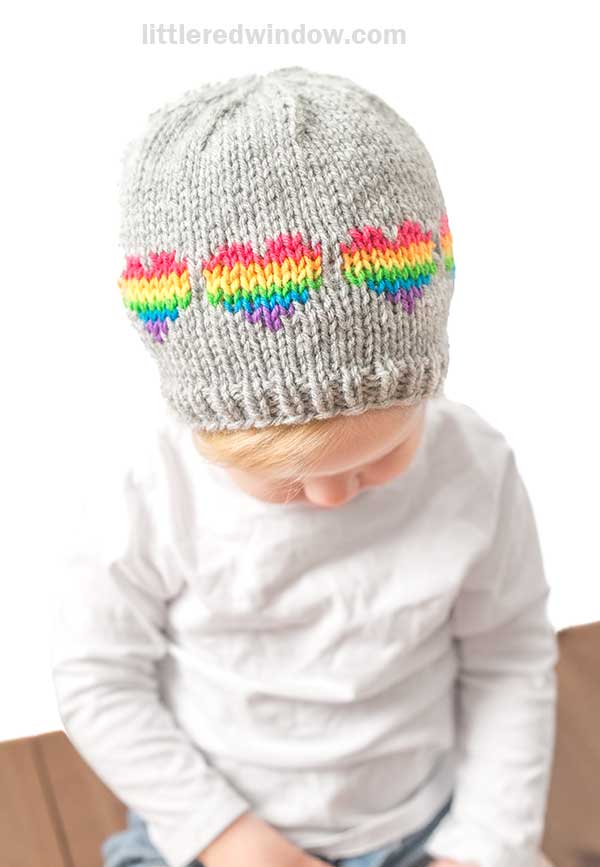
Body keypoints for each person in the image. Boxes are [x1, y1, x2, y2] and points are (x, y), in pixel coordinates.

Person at [51, 67, 558, 867]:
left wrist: (486, 843)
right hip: (214, 828)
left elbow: (511, 655)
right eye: (285, 480)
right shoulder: (148, 491)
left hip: (421, 826)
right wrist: (224, 835)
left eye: (383, 452)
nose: (332, 497)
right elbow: (99, 677)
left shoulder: (475, 467)